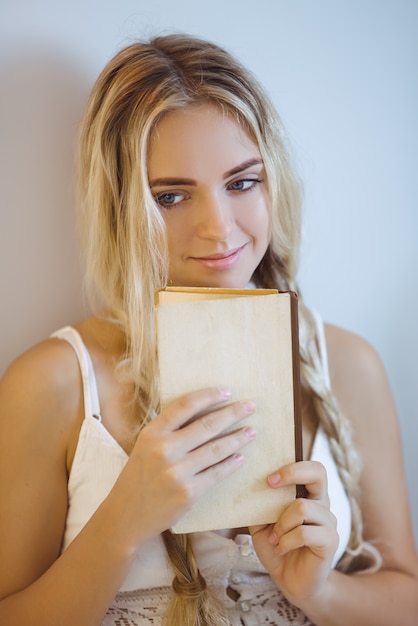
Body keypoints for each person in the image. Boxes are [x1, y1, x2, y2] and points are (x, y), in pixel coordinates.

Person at [0, 33, 417, 626]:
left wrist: (319, 592)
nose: (219, 229)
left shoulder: (346, 363)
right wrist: (123, 522)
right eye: (171, 196)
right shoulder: (54, 382)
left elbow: (407, 599)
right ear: (122, 204)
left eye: (242, 182)